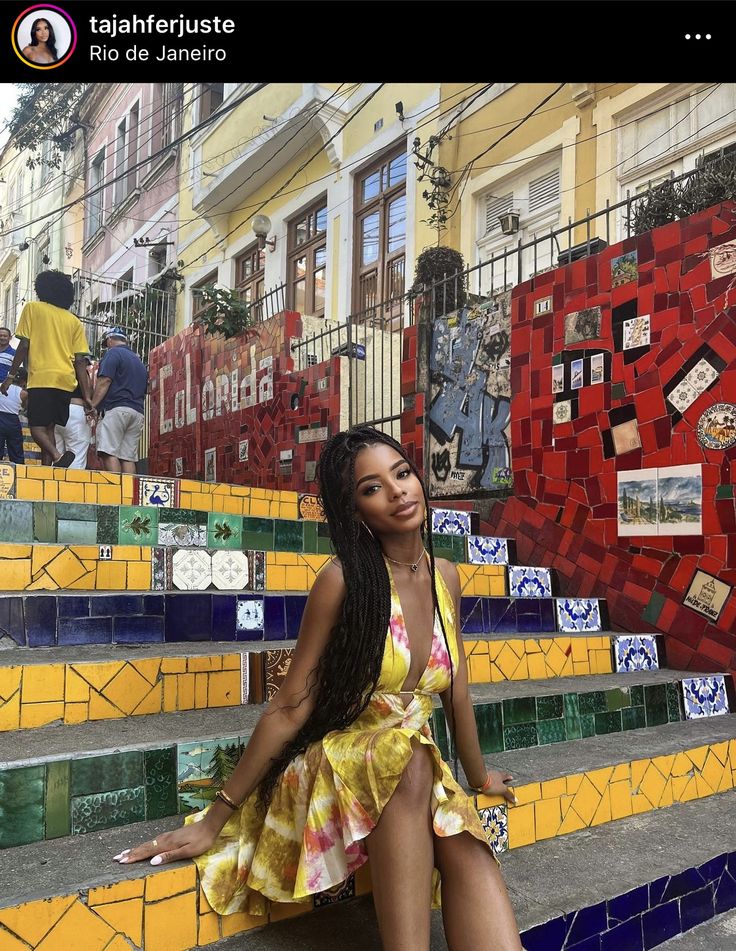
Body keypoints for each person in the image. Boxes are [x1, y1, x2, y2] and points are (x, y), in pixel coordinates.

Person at [115, 426, 523, 951]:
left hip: (407, 759)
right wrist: (217, 816)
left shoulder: (445, 575)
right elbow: (289, 706)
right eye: (372, 487)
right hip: (336, 757)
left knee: (468, 852)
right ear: (354, 511)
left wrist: (479, 774)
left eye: (401, 474)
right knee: (410, 760)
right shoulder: (344, 579)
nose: (398, 491)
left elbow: (457, 689)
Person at [0, 270, 90, 468]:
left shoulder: (33, 309)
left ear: (42, 288)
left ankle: (58, 457)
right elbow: (81, 361)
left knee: (36, 428)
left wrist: (11, 376)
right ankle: (46, 470)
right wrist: (87, 397)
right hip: (66, 381)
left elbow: (23, 345)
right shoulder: (73, 320)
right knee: (49, 428)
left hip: (42, 377)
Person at [89, 327, 148, 474]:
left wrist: (93, 405)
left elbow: (104, 381)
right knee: (127, 457)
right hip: (137, 412)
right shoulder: (138, 361)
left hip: (117, 409)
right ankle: (129, 494)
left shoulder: (113, 354)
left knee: (108, 452)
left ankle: (116, 494)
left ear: (109, 340)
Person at [54, 356, 93, 469]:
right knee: (76, 454)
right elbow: (89, 390)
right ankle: (73, 486)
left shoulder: (58, 367)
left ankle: (54, 485)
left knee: (58, 456)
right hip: (76, 411)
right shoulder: (81, 372)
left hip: (57, 412)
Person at [0, 366, 27, 464]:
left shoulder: (1, 386)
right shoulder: (23, 393)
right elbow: (24, 408)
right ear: (24, 381)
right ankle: (19, 473)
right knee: (16, 452)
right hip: (13, 421)